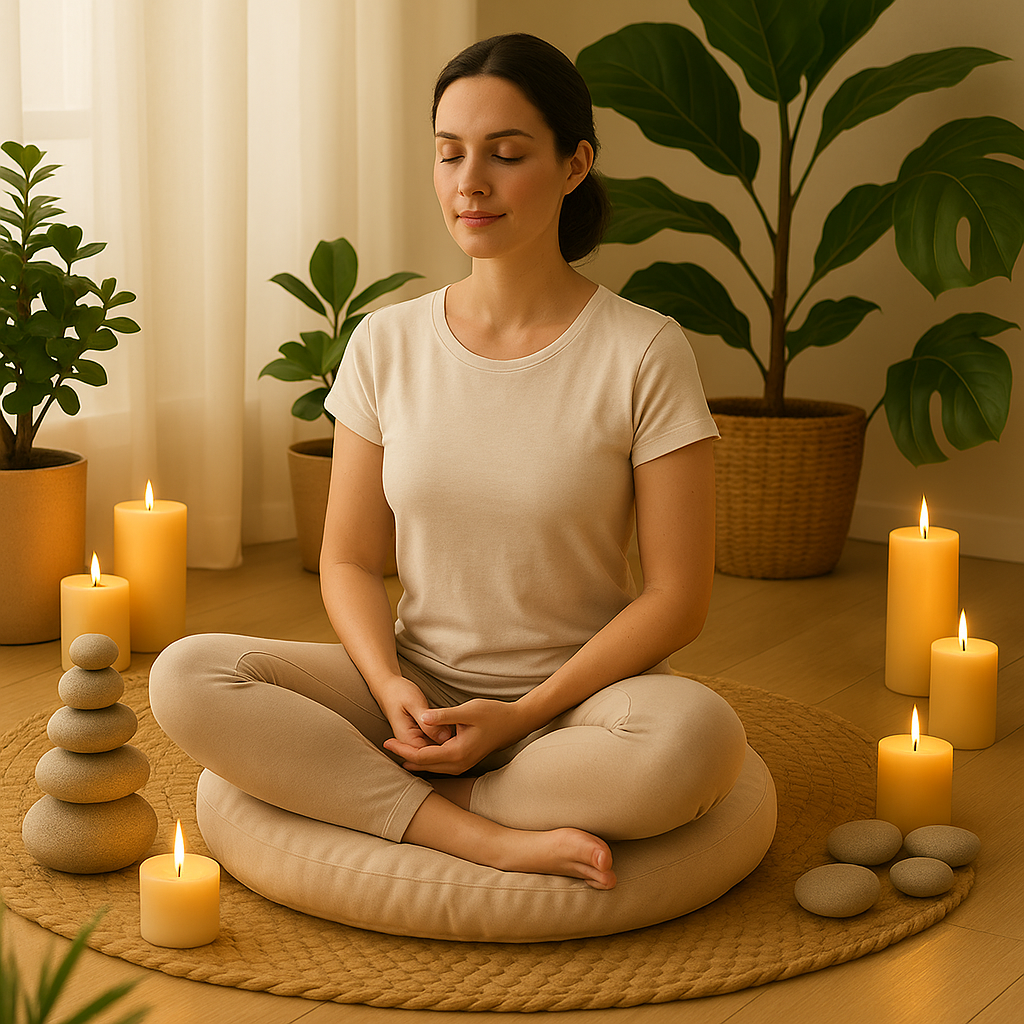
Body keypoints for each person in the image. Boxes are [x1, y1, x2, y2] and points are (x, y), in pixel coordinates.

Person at [150, 33, 746, 894]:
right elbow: (349, 559)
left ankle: (418, 793)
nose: (471, 181)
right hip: (417, 688)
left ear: (575, 165)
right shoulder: (386, 343)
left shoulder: (644, 350)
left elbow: (677, 598)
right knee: (186, 675)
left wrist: (520, 717)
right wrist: (389, 685)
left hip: (578, 702)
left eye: (506, 155)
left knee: (699, 740)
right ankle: (477, 833)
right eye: (449, 154)